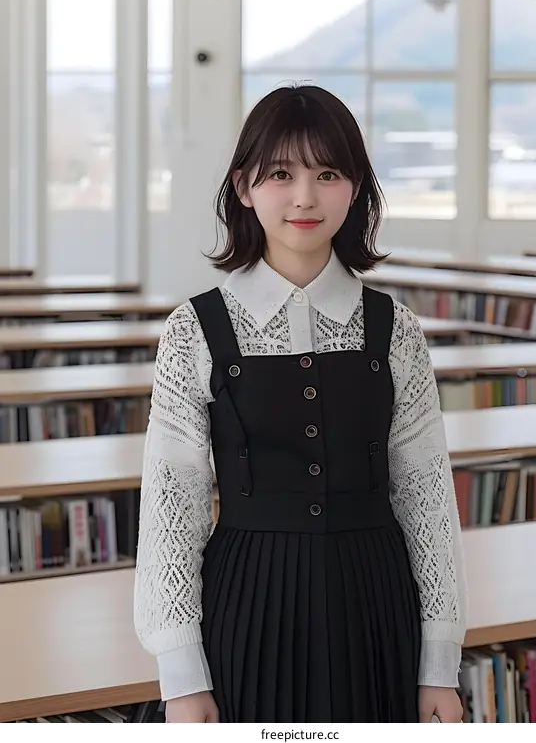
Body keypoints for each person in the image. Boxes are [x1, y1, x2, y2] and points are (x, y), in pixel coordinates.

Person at [133, 83, 468, 724]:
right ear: (243, 186)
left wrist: (439, 667)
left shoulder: (396, 329)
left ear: (356, 187)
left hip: (376, 604)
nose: (305, 196)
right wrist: (180, 674)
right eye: (281, 173)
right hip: (245, 606)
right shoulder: (193, 330)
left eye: (328, 172)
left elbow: (426, 499)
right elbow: (172, 505)